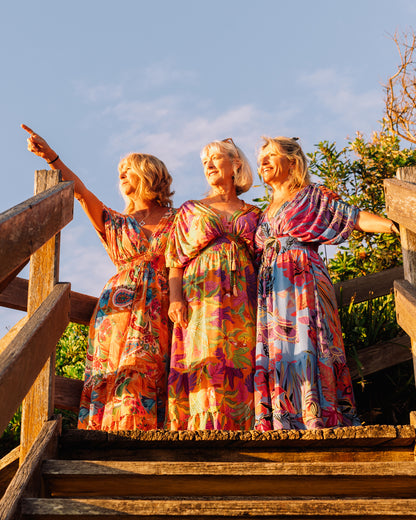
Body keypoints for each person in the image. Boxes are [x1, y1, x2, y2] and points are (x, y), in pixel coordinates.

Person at [22, 124, 176, 431]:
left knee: (148, 366)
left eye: (128, 169)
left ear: (149, 174)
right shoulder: (114, 221)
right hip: (118, 307)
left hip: (159, 304)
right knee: (114, 366)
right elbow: (79, 191)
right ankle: (107, 433)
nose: (120, 173)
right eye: (119, 169)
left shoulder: (178, 219)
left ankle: (146, 432)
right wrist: (52, 158)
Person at [254, 136, 399, 431]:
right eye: (261, 159)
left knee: (312, 343)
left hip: (304, 277)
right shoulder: (263, 211)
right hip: (272, 288)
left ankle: (318, 414)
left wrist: (394, 227)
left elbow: (354, 217)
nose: (263, 162)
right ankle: (285, 417)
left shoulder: (314, 195)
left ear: (292, 161)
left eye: (271, 155)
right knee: (279, 349)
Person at [166, 138, 261, 430]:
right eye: (204, 161)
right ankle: (205, 424)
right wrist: (175, 298)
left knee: (241, 353)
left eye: (215, 158)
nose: (208, 165)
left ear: (236, 164)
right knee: (205, 353)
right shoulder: (191, 209)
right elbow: (174, 259)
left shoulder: (255, 213)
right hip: (200, 294)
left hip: (243, 296)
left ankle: (244, 423)